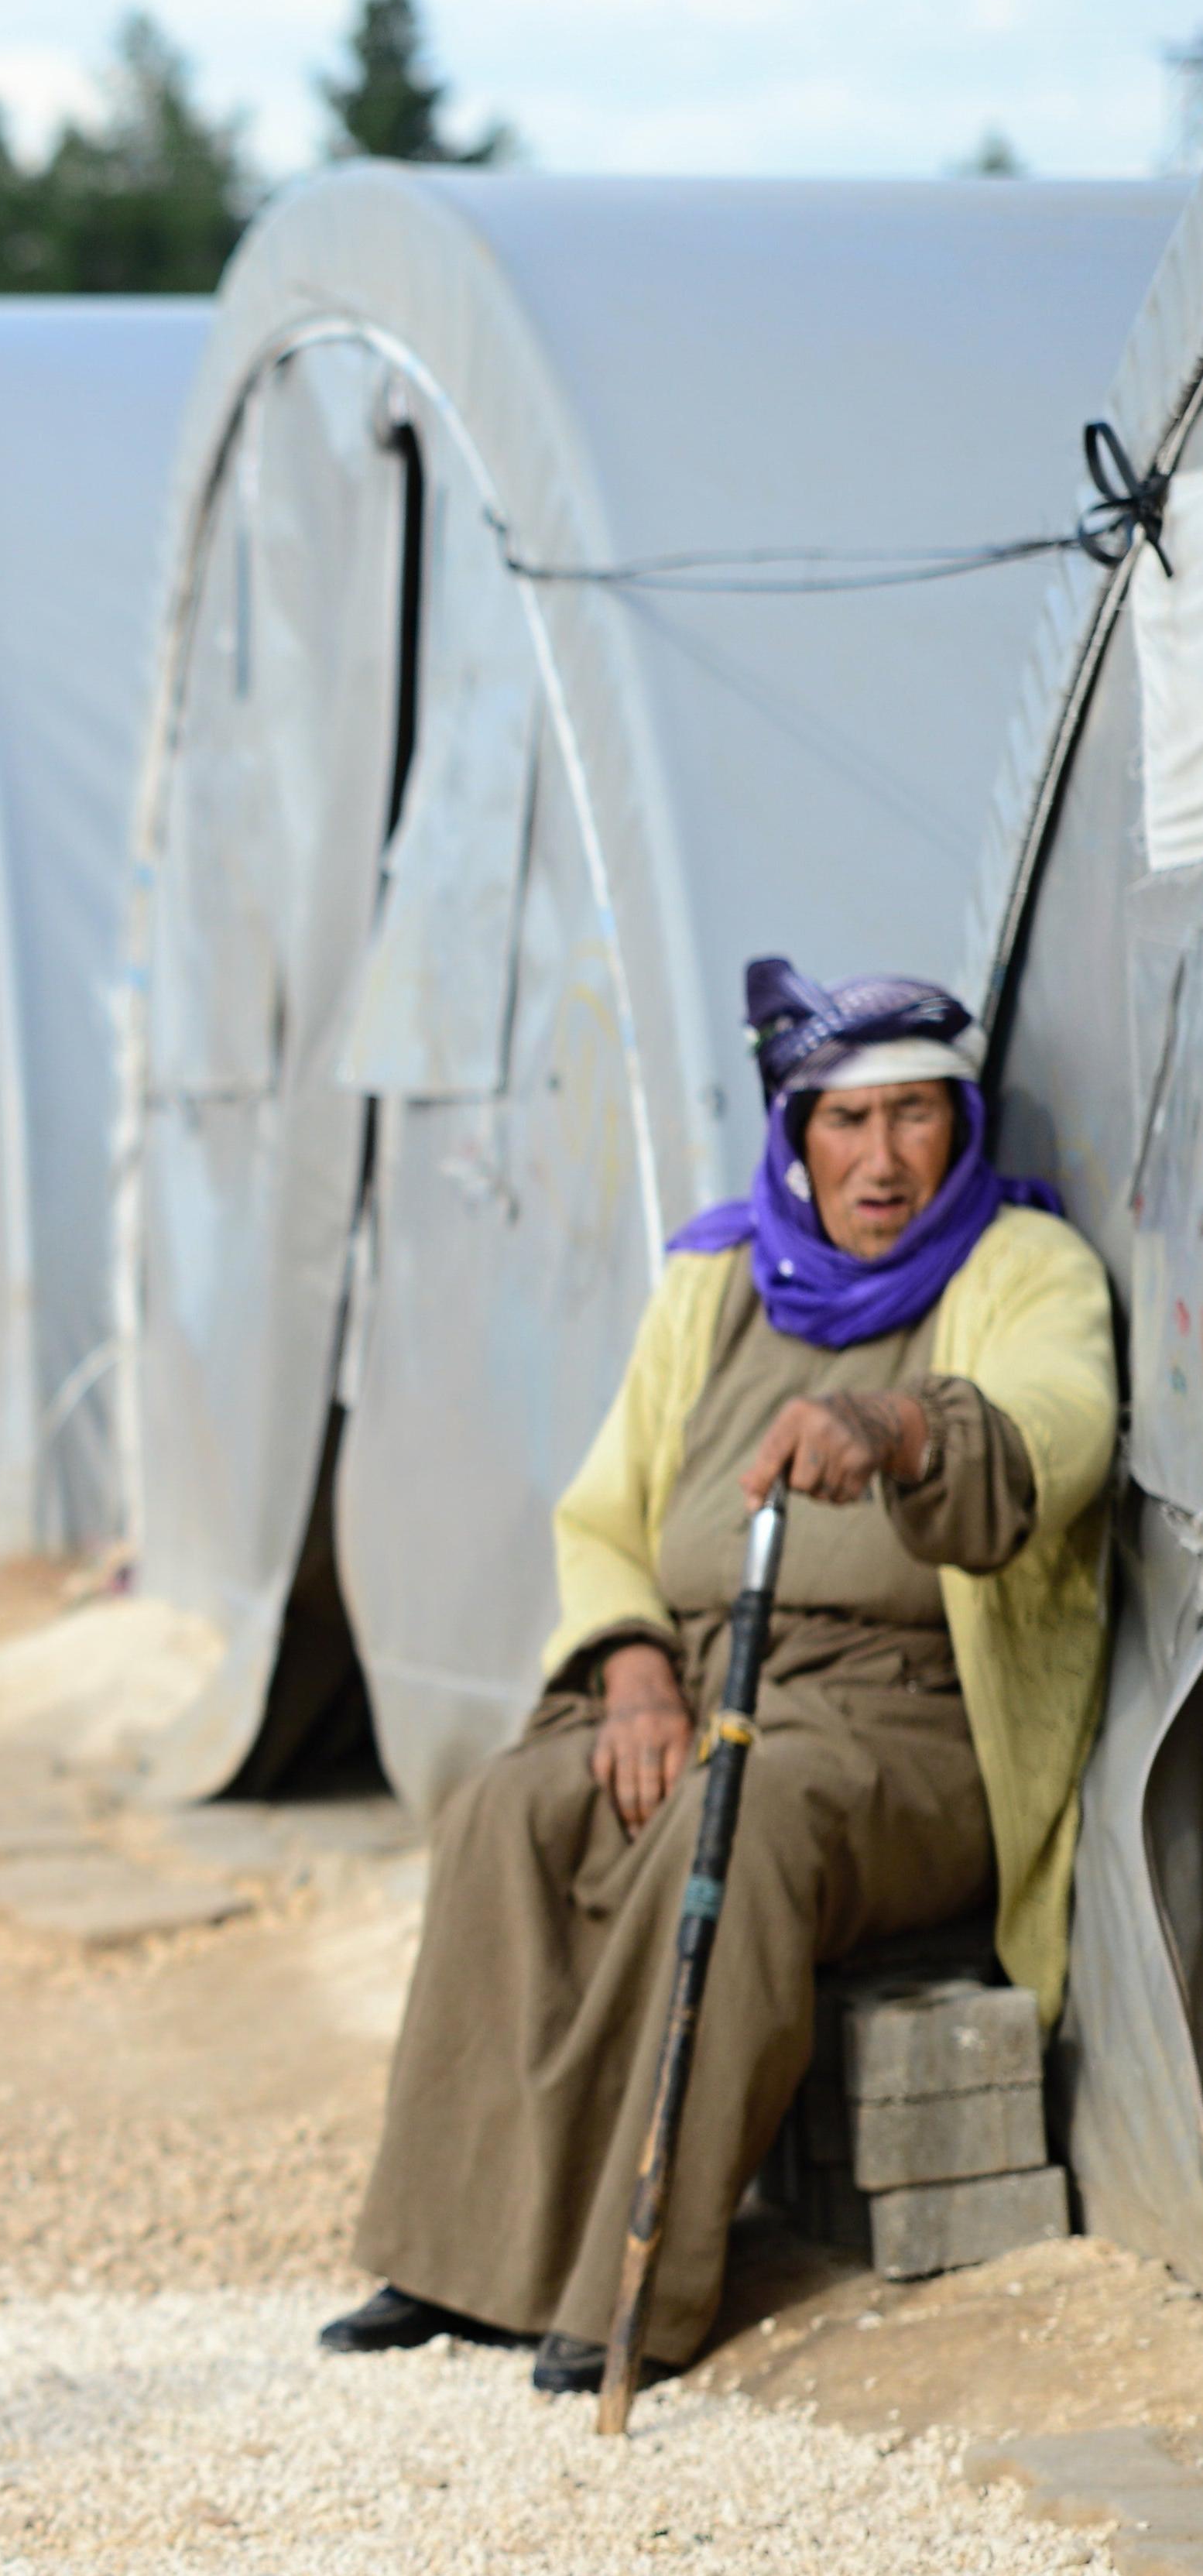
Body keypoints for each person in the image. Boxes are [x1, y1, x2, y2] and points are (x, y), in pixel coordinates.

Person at [324, 958, 1114, 2397]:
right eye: (842, 1124)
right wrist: (630, 1674)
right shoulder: (708, 1279)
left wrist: (894, 1425)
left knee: (733, 1825)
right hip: (697, 1677)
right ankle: (460, 2257)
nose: (878, 1161)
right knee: (513, 1810)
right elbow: (602, 1514)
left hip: (906, 1727)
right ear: (790, 1135)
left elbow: (1053, 1427)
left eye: (914, 1120)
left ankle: (633, 2281)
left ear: (961, 1127)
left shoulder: (1021, 1268)